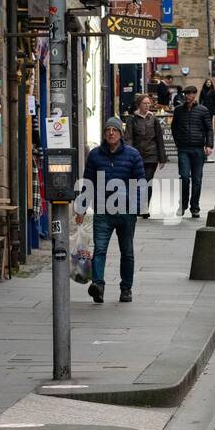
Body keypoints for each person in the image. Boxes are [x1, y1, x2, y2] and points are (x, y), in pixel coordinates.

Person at [83, 117, 146, 304]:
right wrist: (81, 208)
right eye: (108, 130)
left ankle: (126, 288)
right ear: (104, 134)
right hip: (103, 211)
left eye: (115, 130)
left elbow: (141, 183)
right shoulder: (95, 155)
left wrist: (137, 206)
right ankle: (98, 285)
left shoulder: (133, 155)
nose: (111, 133)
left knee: (127, 252)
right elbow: (88, 183)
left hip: (126, 212)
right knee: (100, 249)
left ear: (121, 133)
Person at [172, 85, 214, 219]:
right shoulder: (178, 110)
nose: (188, 95)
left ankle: (195, 207)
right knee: (184, 177)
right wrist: (178, 142)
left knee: (197, 180)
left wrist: (209, 145)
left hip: (198, 149)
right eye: (186, 93)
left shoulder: (203, 110)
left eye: (190, 93)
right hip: (183, 148)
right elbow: (174, 128)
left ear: (195, 95)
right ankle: (183, 205)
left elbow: (209, 129)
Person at [125, 94, 166, 220]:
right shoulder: (132, 119)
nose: (147, 105)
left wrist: (162, 158)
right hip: (136, 156)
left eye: (149, 103)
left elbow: (159, 139)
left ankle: (144, 208)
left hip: (151, 156)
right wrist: (128, 155)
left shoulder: (154, 120)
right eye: (145, 103)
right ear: (139, 105)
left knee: (147, 181)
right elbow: (129, 138)